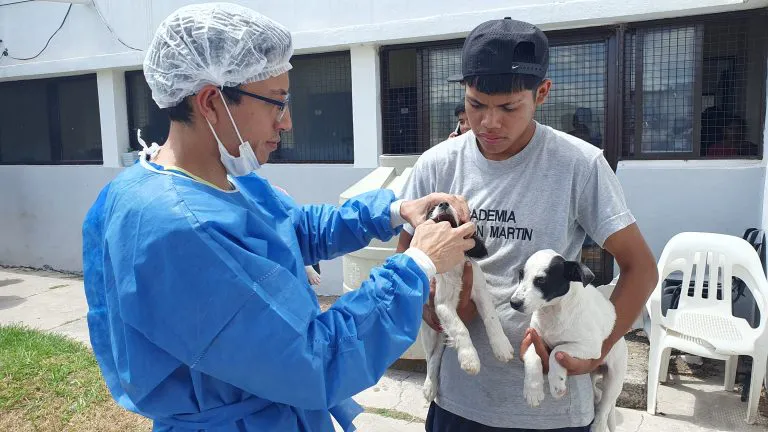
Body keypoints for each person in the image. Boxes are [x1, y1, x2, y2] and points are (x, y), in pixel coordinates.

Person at [81, 4, 478, 432]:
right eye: (277, 102)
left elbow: (292, 228)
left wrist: (393, 211)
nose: (287, 122)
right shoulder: (180, 229)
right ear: (212, 102)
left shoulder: (223, 178)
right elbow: (314, 360)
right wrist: (415, 266)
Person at [397, 18, 658, 431]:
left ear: (542, 93)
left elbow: (641, 268)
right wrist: (430, 306)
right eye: (476, 104)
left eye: (508, 107)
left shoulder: (579, 165)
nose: (489, 123)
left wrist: (595, 349)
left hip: (551, 413)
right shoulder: (437, 166)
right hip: (460, 402)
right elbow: (406, 264)